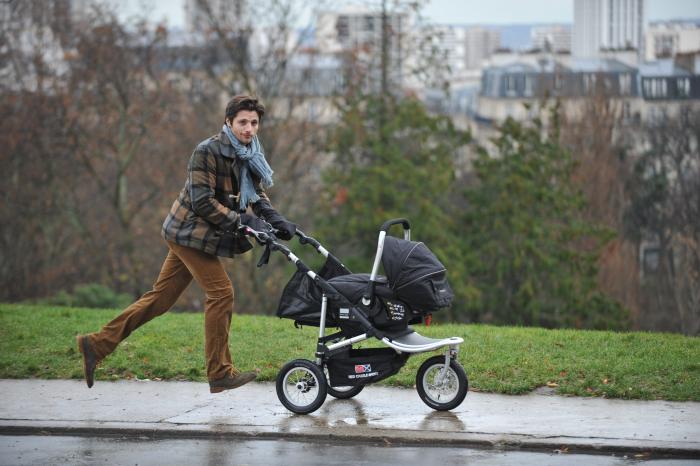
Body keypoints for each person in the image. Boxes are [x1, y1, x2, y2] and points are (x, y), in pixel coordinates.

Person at [76, 95, 296, 394]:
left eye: (254, 123)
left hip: (203, 235)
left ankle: (96, 344)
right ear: (229, 122)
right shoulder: (207, 151)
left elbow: (255, 195)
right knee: (221, 294)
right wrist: (243, 223)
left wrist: (275, 219)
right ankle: (219, 373)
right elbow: (201, 201)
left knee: (160, 300)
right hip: (188, 231)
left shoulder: (249, 154)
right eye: (243, 122)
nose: (249, 129)